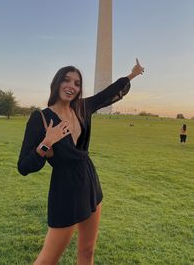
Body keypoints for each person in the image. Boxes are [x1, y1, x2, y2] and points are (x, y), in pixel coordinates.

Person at [18, 58, 144, 265]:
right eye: (66, 80)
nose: (71, 86)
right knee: (48, 260)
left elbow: (108, 94)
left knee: (87, 252)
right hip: (65, 189)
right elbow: (23, 166)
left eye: (77, 83)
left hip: (90, 183)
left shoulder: (82, 107)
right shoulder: (40, 118)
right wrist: (46, 143)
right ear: (56, 83)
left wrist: (132, 74)